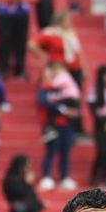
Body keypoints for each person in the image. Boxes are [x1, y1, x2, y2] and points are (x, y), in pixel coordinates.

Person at [37, 63, 80, 191]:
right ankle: (46, 176)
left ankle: (64, 177)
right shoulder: (45, 89)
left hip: (67, 125)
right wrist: (64, 110)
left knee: (65, 151)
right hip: (52, 126)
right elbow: (45, 102)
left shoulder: (63, 88)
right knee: (50, 151)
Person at [28, 10, 88, 88]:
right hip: (59, 69)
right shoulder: (50, 33)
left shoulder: (70, 34)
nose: (69, 23)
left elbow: (78, 52)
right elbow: (32, 45)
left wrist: (83, 69)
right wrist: (44, 56)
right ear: (60, 22)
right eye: (67, 20)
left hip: (75, 68)